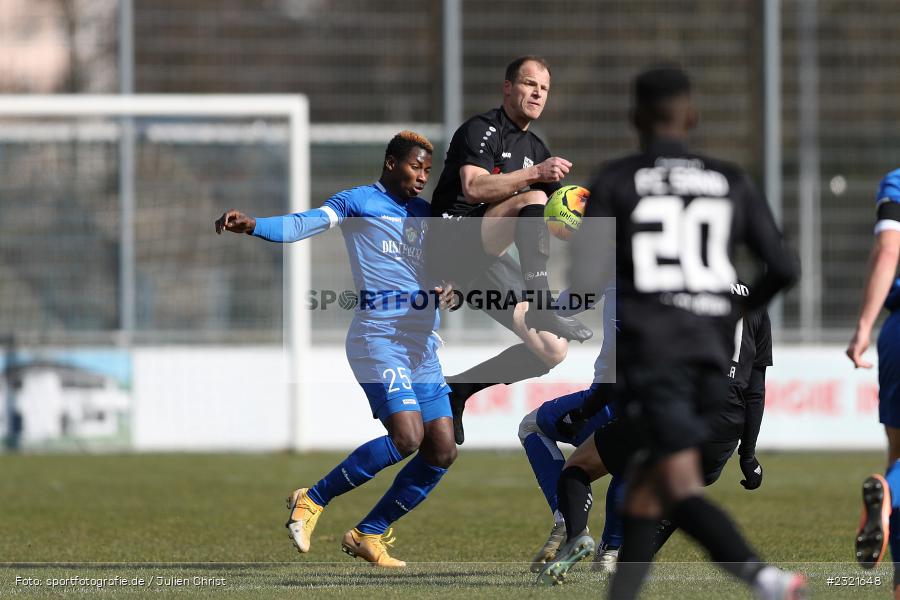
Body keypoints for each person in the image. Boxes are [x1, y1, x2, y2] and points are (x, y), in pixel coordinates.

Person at [562, 66, 802, 599]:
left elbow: (582, 279)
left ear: (635, 118)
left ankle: (766, 580)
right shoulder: (730, 180)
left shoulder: (619, 180)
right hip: (712, 367)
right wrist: (729, 315)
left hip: (656, 358)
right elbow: (784, 267)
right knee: (648, 492)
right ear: (691, 117)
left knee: (673, 488)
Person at [214, 131, 455, 568]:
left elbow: (441, 270)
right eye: (414, 167)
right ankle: (313, 498)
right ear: (390, 163)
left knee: (441, 449)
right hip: (378, 339)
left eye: (426, 170)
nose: (422, 177)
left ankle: (369, 533)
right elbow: (305, 222)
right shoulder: (358, 201)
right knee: (407, 437)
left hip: (422, 346)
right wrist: (254, 226)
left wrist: (448, 288)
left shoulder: (426, 215)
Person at [536, 283, 772, 584]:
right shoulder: (756, 301)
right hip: (725, 430)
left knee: (578, 467)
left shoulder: (685, 286)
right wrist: (748, 454)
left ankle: (577, 536)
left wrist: (589, 408)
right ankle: (625, 561)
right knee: (676, 494)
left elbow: (640, 353)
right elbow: (756, 389)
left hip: (677, 414)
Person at [429, 55, 592, 445]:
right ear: (508, 87)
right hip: (449, 242)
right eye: (529, 84)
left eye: (544, 88)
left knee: (552, 350)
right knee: (531, 196)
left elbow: (561, 209)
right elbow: (473, 188)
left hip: (485, 261)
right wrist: (537, 174)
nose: (537, 93)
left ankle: (459, 390)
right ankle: (541, 301)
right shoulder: (482, 130)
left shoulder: (536, 146)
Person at [847, 168, 900, 594]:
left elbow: (887, 250)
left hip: (896, 332)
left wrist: (864, 326)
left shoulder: (896, 180)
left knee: (899, 455)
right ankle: (890, 490)